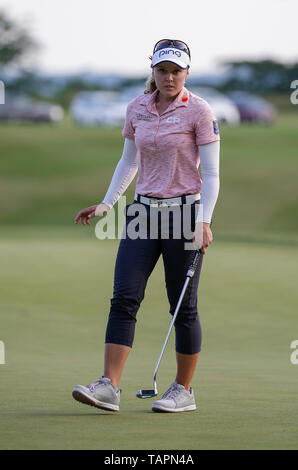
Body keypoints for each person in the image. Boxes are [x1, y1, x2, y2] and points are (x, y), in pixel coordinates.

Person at [72, 39, 220, 413]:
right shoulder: (137, 107)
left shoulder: (200, 111)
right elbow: (128, 161)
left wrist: (204, 221)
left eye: (176, 71)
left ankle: (183, 391)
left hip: (185, 214)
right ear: (152, 71)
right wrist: (108, 202)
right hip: (142, 214)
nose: (169, 77)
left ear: (187, 72)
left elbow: (214, 174)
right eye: (162, 70)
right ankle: (108, 387)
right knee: (123, 298)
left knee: (182, 307)